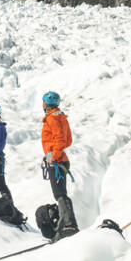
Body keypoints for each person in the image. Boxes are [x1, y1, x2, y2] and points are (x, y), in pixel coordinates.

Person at [40, 91, 79, 241]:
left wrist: (53, 155)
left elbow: (61, 140)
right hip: (60, 160)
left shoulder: (52, 118)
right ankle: (66, 224)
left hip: (56, 160)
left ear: (45, 103)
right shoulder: (60, 117)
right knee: (60, 192)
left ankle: (69, 225)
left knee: (60, 194)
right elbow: (67, 140)